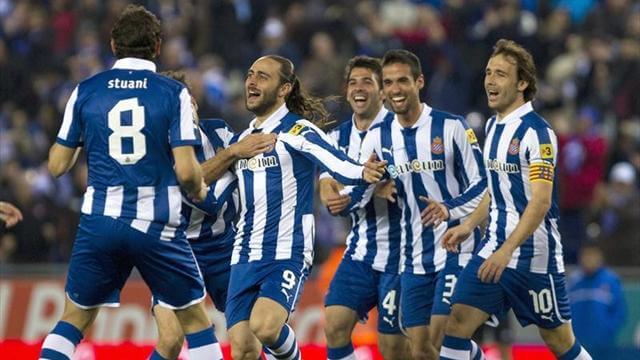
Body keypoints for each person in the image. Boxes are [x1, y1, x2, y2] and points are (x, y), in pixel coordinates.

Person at [39, 5, 219, 360]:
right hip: (156, 225)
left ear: (112, 44)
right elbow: (186, 172)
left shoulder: (86, 90)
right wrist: (200, 190)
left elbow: (57, 165)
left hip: (100, 221)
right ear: (156, 46)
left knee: (73, 320)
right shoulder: (173, 93)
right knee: (197, 326)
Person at [200, 55, 387, 360]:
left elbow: (334, 160)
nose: (251, 81)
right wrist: (229, 155)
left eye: (262, 76)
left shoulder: (296, 131)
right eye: (250, 74)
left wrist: (363, 172)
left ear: (284, 88)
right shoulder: (242, 140)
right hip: (244, 254)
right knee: (243, 350)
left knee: (266, 327)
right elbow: (210, 188)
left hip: (287, 250)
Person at [440, 39, 593, 360]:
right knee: (454, 326)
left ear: (522, 83)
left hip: (531, 258)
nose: (490, 81)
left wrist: (506, 251)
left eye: (501, 74)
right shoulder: (494, 126)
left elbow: (540, 202)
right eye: (488, 73)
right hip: (492, 250)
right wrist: (469, 225)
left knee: (559, 341)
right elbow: (496, 189)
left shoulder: (538, 133)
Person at [352, 49, 487, 359]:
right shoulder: (376, 137)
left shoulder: (452, 127)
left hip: (456, 248)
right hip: (413, 257)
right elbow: (357, 189)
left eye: (402, 81)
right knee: (421, 350)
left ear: (419, 82)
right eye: (388, 83)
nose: (395, 89)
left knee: (442, 337)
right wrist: (371, 185)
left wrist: (449, 208)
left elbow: (483, 184)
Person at [150, 71, 276, 360]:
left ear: (193, 102)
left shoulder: (218, 131)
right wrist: (232, 156)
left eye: (186, 103)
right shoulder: (156, 151)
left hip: (224, 247)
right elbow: (193, 187)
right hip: (175, 249)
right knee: (170, 340)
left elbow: (252, 163)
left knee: (247, 345)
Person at [319, 56, 409, 360]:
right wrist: (363, 187)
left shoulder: (398, 130)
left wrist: (374, 183)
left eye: (367, 82)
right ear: (346, 91)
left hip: (401, 254)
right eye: (353, 82)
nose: (359, 88)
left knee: (394, 347)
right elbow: (326, 185)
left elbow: (403, 177)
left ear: (382, 91)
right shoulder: (336, 137)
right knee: (334, 325)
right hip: (360, 252)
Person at [568, 244, 626, 358]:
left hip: (604, 346)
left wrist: (607, 332)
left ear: (600, 257)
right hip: (577, 345)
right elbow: (566, 311)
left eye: (592, 255)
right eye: (586, 256)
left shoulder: (611, 280)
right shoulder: (573, 281)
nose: (589, 259)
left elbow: (619, 312)